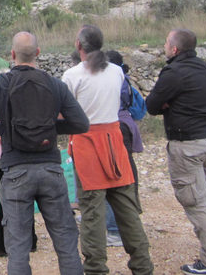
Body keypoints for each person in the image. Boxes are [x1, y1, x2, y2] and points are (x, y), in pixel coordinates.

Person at [0, 31, 89, 275]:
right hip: (50, 169)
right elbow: (81, 124)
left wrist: (3, 130)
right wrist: (51, 128)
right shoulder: (55, 85)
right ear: (38, 53)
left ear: (12, 55)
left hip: (15, 172)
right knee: (66, 243)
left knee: (18, 248)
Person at [62, 25, 153, 275]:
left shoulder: (72, 76)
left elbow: (63, 112)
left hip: (87, 143)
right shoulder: (116, 72)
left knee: (91, 212)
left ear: (79, 45)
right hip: (115, 142)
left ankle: (95, 269)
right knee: (127, 209)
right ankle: (143, 266)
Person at [146, 29, 206, 275]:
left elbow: (152, 105)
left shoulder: (174, 72)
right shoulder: (203, 68)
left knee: (197, 204)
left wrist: (169, 104)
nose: (164, 45)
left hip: (187, 145)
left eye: (166, 42)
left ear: (174, 49)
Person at [0, 69, 38, 258]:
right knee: (24, 197)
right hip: (21, 155)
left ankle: (2, 244)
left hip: (1, 158)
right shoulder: (23, 103)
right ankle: (30, 240)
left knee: (3, 201)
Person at [104, 51, 145, 248]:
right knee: (126, 173)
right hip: (126, 126)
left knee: (115, 176)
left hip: (115, 128)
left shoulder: (112, 79)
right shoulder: (123, 78)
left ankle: (115, 229)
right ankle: (127, 220)